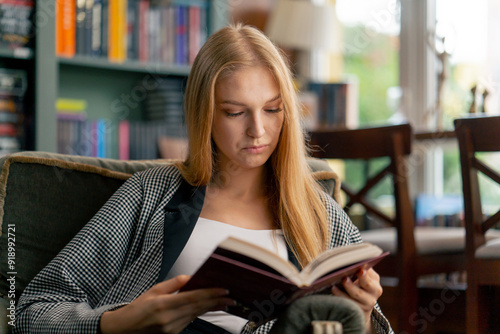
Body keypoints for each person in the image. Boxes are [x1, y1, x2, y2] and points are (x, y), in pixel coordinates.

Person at [14, 24, 393, 334]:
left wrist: (360, 315)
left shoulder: (319, 212)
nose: (258, 130)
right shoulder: (151, 193)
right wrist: (119, 322)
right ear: (205, 114)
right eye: (234, 112)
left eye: (273, 109)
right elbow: (32, 312)